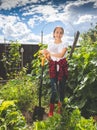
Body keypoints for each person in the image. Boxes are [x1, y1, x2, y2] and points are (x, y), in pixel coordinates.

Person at [41, 26, 68, 117]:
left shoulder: (65, 44)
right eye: (57, 32)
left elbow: (61, 55)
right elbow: (49, 59)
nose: (58, 34)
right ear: (53, 34)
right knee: (54, 90)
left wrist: (49, 52)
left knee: (61, 90)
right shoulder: (50, 44)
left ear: (62, 34)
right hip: (53, 67)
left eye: (61, 32)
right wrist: (46, 54)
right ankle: (51, 110)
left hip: (62, 68)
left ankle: (61, 109)